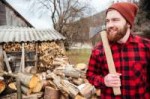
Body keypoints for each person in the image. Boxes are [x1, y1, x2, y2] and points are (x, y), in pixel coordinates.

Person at [86, 2, 150, 99]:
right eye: (107, 21)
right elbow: (90, 75)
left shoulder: (146, 46)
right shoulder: (98, 50)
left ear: (128, 23)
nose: (109, 25)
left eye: (115, 20)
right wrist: (104, 80)